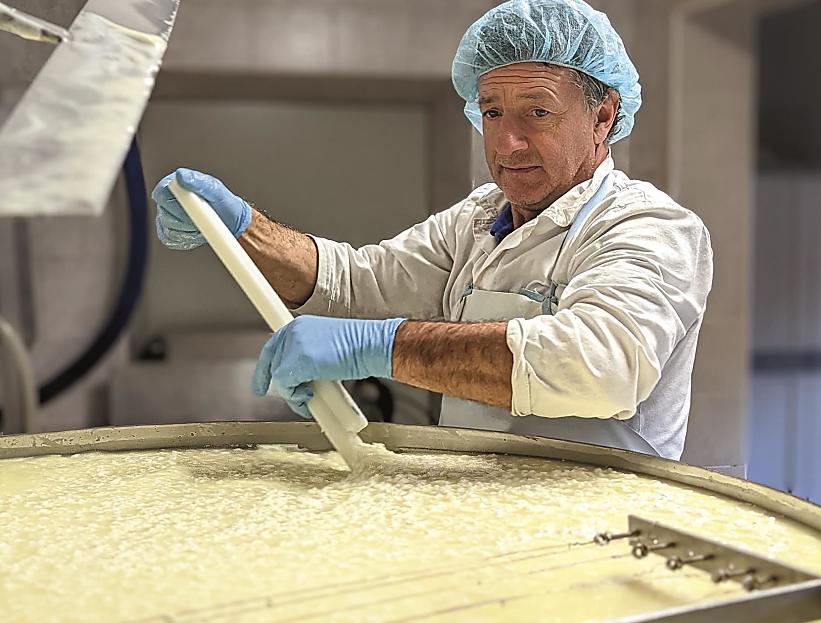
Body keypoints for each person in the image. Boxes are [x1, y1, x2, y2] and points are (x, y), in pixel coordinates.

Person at [150, 0, 713, 460]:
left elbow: (600, 366)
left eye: (537, 112)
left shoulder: (650, 226)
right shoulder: (478, 218)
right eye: (492, 112)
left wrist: (380, 347)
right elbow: (358, 285)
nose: (507, 142)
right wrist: (242, 228)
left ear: (603, 116)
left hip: (598, 526)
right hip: (473, 509)